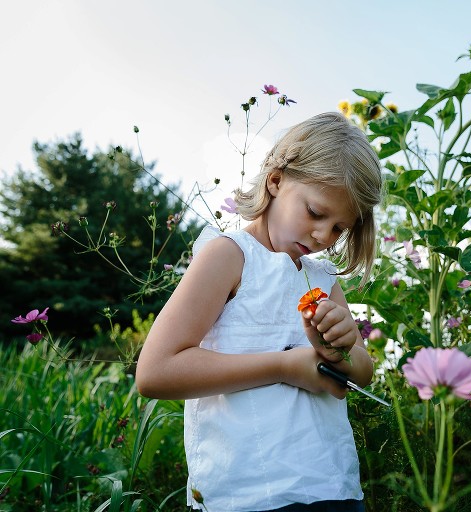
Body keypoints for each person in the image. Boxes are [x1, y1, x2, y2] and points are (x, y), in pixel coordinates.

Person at [135, 111, 382, 512]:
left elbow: (360, 371)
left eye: (340, 228)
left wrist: (344, 345)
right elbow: (155, 372)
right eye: (317, 214)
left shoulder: (322, 277)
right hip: (248, 492)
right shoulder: (229, 256)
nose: (324, 236)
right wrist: (284, 366)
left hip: (330, 485)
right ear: (276, 180)